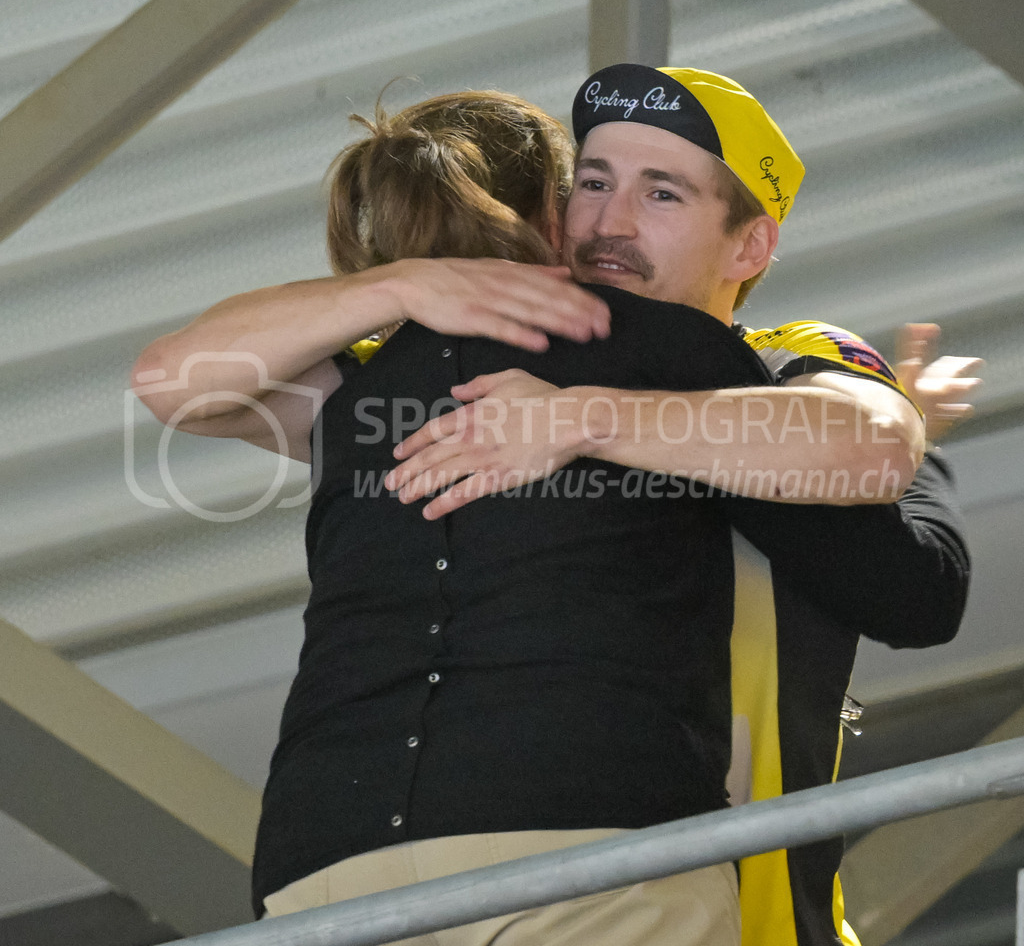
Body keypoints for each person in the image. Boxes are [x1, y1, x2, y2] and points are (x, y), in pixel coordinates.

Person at [131, 76, 973, 946]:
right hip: (601, 844)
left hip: (730, 866)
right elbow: (176, 381)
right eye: (593, 184)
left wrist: (584, 418)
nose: (610, 221)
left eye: (662, 193)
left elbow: (888, 507)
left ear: (749, 246)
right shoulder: (415, 366)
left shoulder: (780, 355)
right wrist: (410, 283)